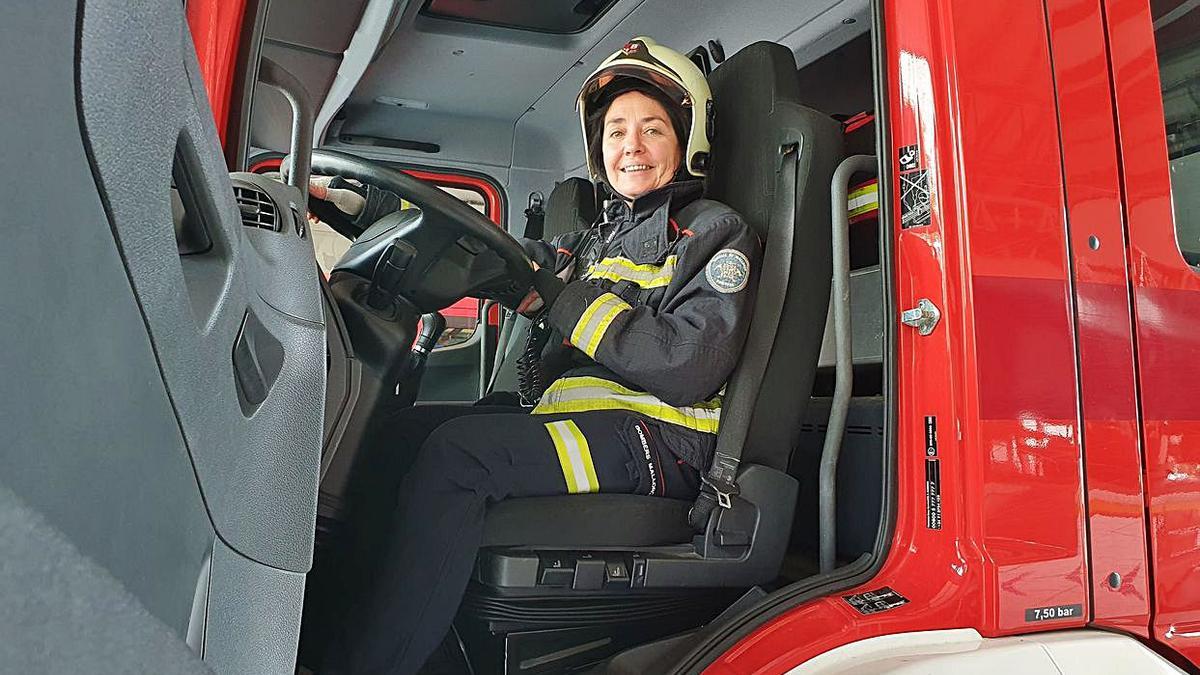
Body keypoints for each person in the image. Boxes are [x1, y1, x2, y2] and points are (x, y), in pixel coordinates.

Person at [319, 37, 762, 674]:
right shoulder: (592, 240)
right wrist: (367, 210)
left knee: (459, 457)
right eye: (615, 131)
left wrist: (562, 300)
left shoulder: (715, 233)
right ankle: (341, 628)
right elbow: (498, 255)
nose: (630, 146)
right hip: (586, 427)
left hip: (660, 444)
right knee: (394, 434)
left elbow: (687, 366)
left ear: (687, 141)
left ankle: (372, 665)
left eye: (652, 129)